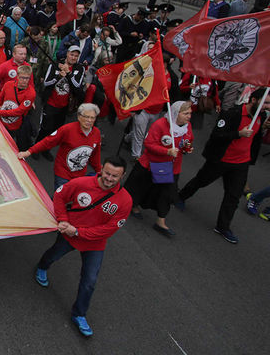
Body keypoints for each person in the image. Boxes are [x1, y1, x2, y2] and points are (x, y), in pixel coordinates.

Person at [33, 157, 132, 338]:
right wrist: (63, 219)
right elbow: (60, 196)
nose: (109, 178)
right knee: (53, 255)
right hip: (69, 234)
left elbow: (108, 230)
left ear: (123, 175)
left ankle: (79, 314)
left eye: (115, 176)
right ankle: (42, 266)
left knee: (90, 281)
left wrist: (78, 232)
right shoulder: (81, 183)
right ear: (101, 169)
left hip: (93, 243)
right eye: (107, 173)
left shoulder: (125, 201)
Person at [177, 90, 270, 244]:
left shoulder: (261, 117)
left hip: (241, 163)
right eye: (265, 103)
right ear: (253, 100)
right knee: (202, 180)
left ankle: (223, 226)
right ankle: (181, 196)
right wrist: (238, 134)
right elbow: (217, 135)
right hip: (222, 159)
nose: (267, 107)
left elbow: (256, 139)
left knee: (233, 196)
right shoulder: (232, 114)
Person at [127, 101, 194, 236]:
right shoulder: (160, 125)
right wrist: (167, 152)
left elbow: (188, 141)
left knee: (167, 193)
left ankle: (160, 221)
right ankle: (133, 206)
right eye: (185, 113)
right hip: (152, 164)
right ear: (176, 113)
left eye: (190, 113)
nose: (189, 116)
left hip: (171, 168)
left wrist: (187, 148)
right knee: (141, 187)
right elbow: (149, 144)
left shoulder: (187, 127)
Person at [19, 103, 102, 192]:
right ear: (79, 116)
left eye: (92, 117)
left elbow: (95, 154)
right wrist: (29, 151)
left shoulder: (96, 133)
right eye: (86, 116)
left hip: (79, 175)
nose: (89, 120)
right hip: (63, 174)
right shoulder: (67, 130)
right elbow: (48, 141)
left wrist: (99, 171)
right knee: (60, 196)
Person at [0, 65, 37, 147]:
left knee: (7, 143)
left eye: (27, 78)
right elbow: (0, 98)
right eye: (22, 77)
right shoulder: (8, 85)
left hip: (14, 125)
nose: (24, 81)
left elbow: (19, 111)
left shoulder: (31, 93)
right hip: (0, 120)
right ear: (17, 76)